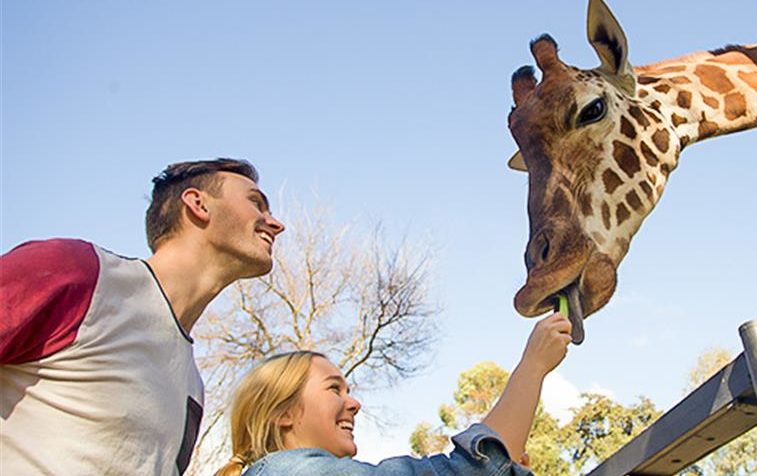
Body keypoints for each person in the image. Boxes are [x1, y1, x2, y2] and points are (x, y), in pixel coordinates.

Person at [0, 158, 286, 475]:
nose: (275, 224)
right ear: (198, 204)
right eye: (256, 203)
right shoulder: (80, 272)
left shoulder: (193, 387)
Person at [214, 312, 573, 476]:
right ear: (284, 413)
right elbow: (467, 472)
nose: (354, 403)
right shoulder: (288, 473)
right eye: (333, 388)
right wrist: (533, 366)